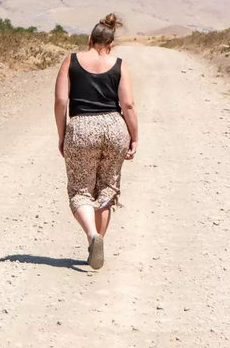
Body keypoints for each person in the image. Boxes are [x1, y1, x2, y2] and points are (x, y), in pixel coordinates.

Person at [53, 14, 138, 270]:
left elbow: (60, 101)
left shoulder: (71, 60)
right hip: (114, 127)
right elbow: (128, 104)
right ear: (111, 44)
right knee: (106, 189)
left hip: (81, 127)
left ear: (89, 39)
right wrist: (135, 136)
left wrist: (62, 134)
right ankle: (97, 245)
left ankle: (92, 236)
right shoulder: (119, 65)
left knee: (80, 190)